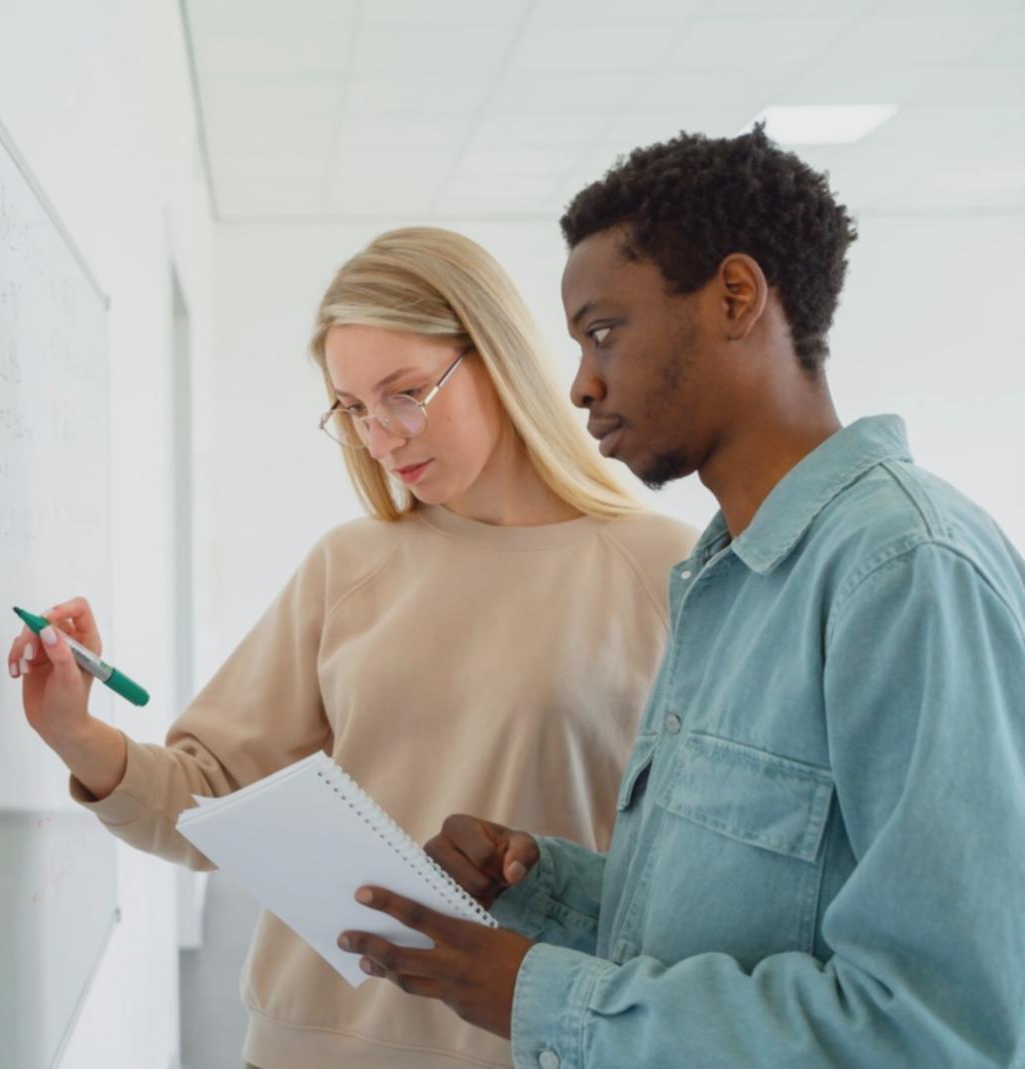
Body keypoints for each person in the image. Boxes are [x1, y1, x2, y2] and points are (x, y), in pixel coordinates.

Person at [339, 127, 1025, 1069]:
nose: (581, 383)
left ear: (735, 298)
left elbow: (940, 1028)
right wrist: (546, 889)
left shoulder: (905, 572)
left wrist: (537, 994)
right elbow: (753, 917)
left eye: (604, 331)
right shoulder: (722, 576)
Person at [7, 227, 695, 1069]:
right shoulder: (350, 566)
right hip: (308, 1048)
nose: (383, 437)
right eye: (355, 409)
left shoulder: (665, 570)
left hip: (535, 1045)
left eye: (406, 393)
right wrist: (77, 734)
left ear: (497, 356)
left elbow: (696, 864)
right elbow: (208, 801)